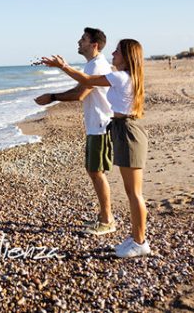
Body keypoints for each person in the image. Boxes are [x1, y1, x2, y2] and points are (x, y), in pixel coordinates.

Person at [40, 39, 151, 258]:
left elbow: (86, 80)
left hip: (127, 132)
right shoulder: (126, 76)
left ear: (127, 56)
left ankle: (140, 242)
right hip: (122, 129)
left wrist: (63, 66)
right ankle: (136, 237)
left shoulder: (121, 77)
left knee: (134, 193)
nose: (113, 53)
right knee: (131, 192)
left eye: (117, 51)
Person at [34, 28, 116, 235]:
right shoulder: (92, 64)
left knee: (96, 172)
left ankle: (107, 220)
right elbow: (81, 88)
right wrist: (54, 94)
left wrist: (52, 97)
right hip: (95, 124)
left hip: (101, 125)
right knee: (94, 171)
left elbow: (80, 94)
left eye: (83, 39)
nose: (79, 42)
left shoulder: (98, 65)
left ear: (94, 44)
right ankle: (103, 217)